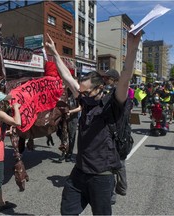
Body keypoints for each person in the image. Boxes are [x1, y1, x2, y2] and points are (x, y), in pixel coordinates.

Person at [46, 30, 141, 215]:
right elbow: (67, 77)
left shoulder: (113, 105)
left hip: (101, 176)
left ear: (100, 88)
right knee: (67, 211)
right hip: (79, 172)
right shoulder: (85, 99)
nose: (81, 96)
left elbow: (125, 79)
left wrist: (132, 48)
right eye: (80, 92)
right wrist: (54, 53)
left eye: (85, 92)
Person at [0, 91, 21, 215]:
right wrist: (16, 108)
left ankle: (0, 203)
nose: (8, 102)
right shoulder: (0, 113)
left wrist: (5, 133)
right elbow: (18, 122)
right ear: (1, 103)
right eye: (6, 100)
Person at [102, 69, 131, 205]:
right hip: (116, 135)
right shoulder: (110, 92)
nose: (105, 80)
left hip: (119, 136)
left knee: (116, 166)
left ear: (114, 80)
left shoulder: (118, 94)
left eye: (107, 78)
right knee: (117, 166)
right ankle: (120, 189)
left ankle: (114, 194)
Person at [58, 87, 81, 163]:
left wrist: (70, 111)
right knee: (63, 136)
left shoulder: (77, 95)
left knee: (71, 136)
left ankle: (69, 154)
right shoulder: (64, 93)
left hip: (72, 119)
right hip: (63, 118)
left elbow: (80, 107)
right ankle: (63, 152)